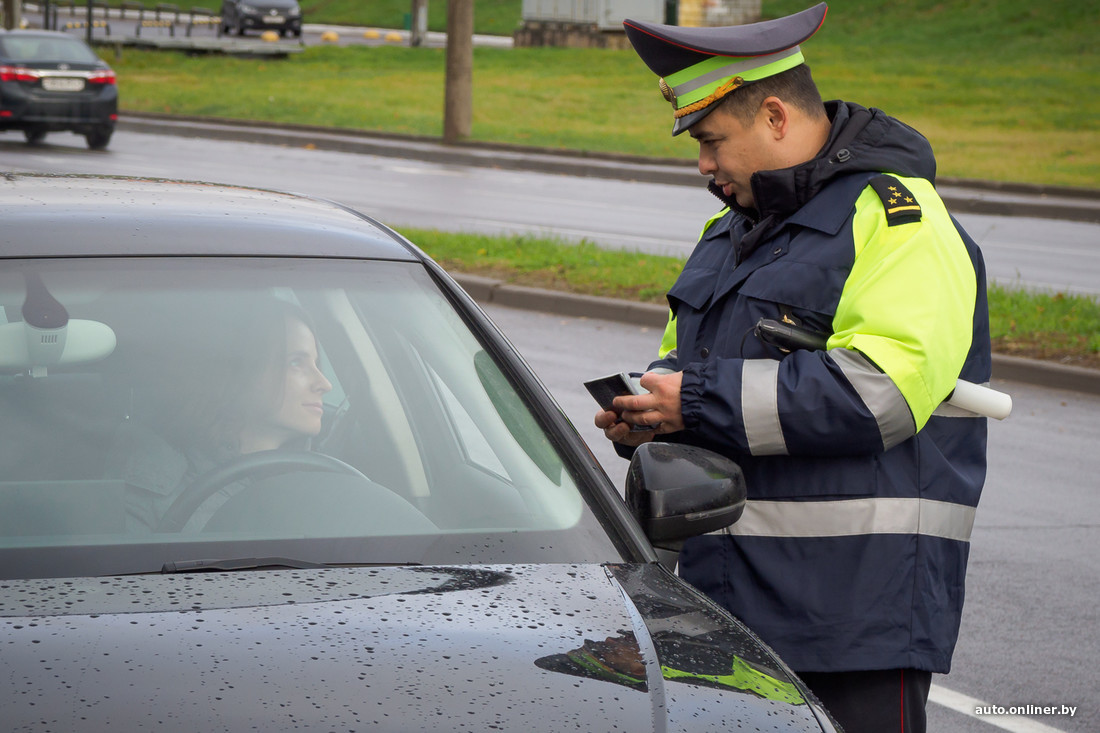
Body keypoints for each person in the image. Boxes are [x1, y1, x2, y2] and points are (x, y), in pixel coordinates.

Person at [596, 4, 991, 731]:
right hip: (727, 603)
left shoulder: (898, 218)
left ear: (775, 115)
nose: (704, 165)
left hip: (854, 618)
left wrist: (696, 401)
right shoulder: (731, 230)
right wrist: (650, 412)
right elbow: (685, 363)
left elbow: (882, 391)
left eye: (712, 140)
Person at [108, 298, 334, 531]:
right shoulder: (153, 492)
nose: (324, 383)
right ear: (240, 373)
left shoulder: (333, 479)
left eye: (316, 364)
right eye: (296, 362)